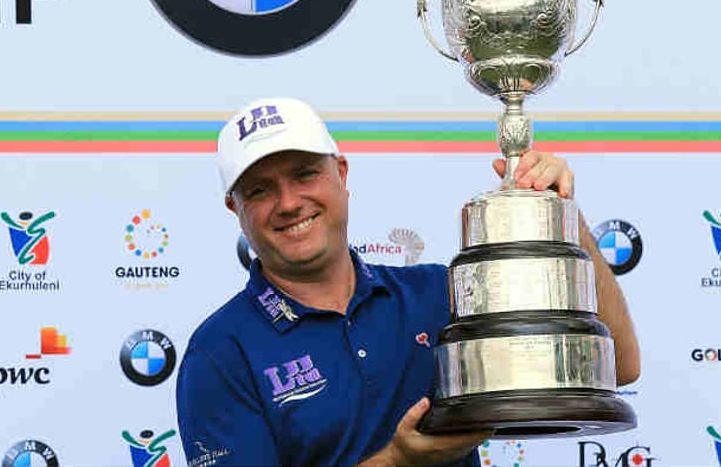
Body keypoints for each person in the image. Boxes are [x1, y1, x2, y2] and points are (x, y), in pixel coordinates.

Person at [175, 97, 640, 467]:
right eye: (259, 189)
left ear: (340, 174)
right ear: (235, 209)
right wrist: (396, 462)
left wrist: (562, 213)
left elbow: (617, 366)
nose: (289, 202)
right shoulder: (219, 353)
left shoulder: (437, 293)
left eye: (304, 174)